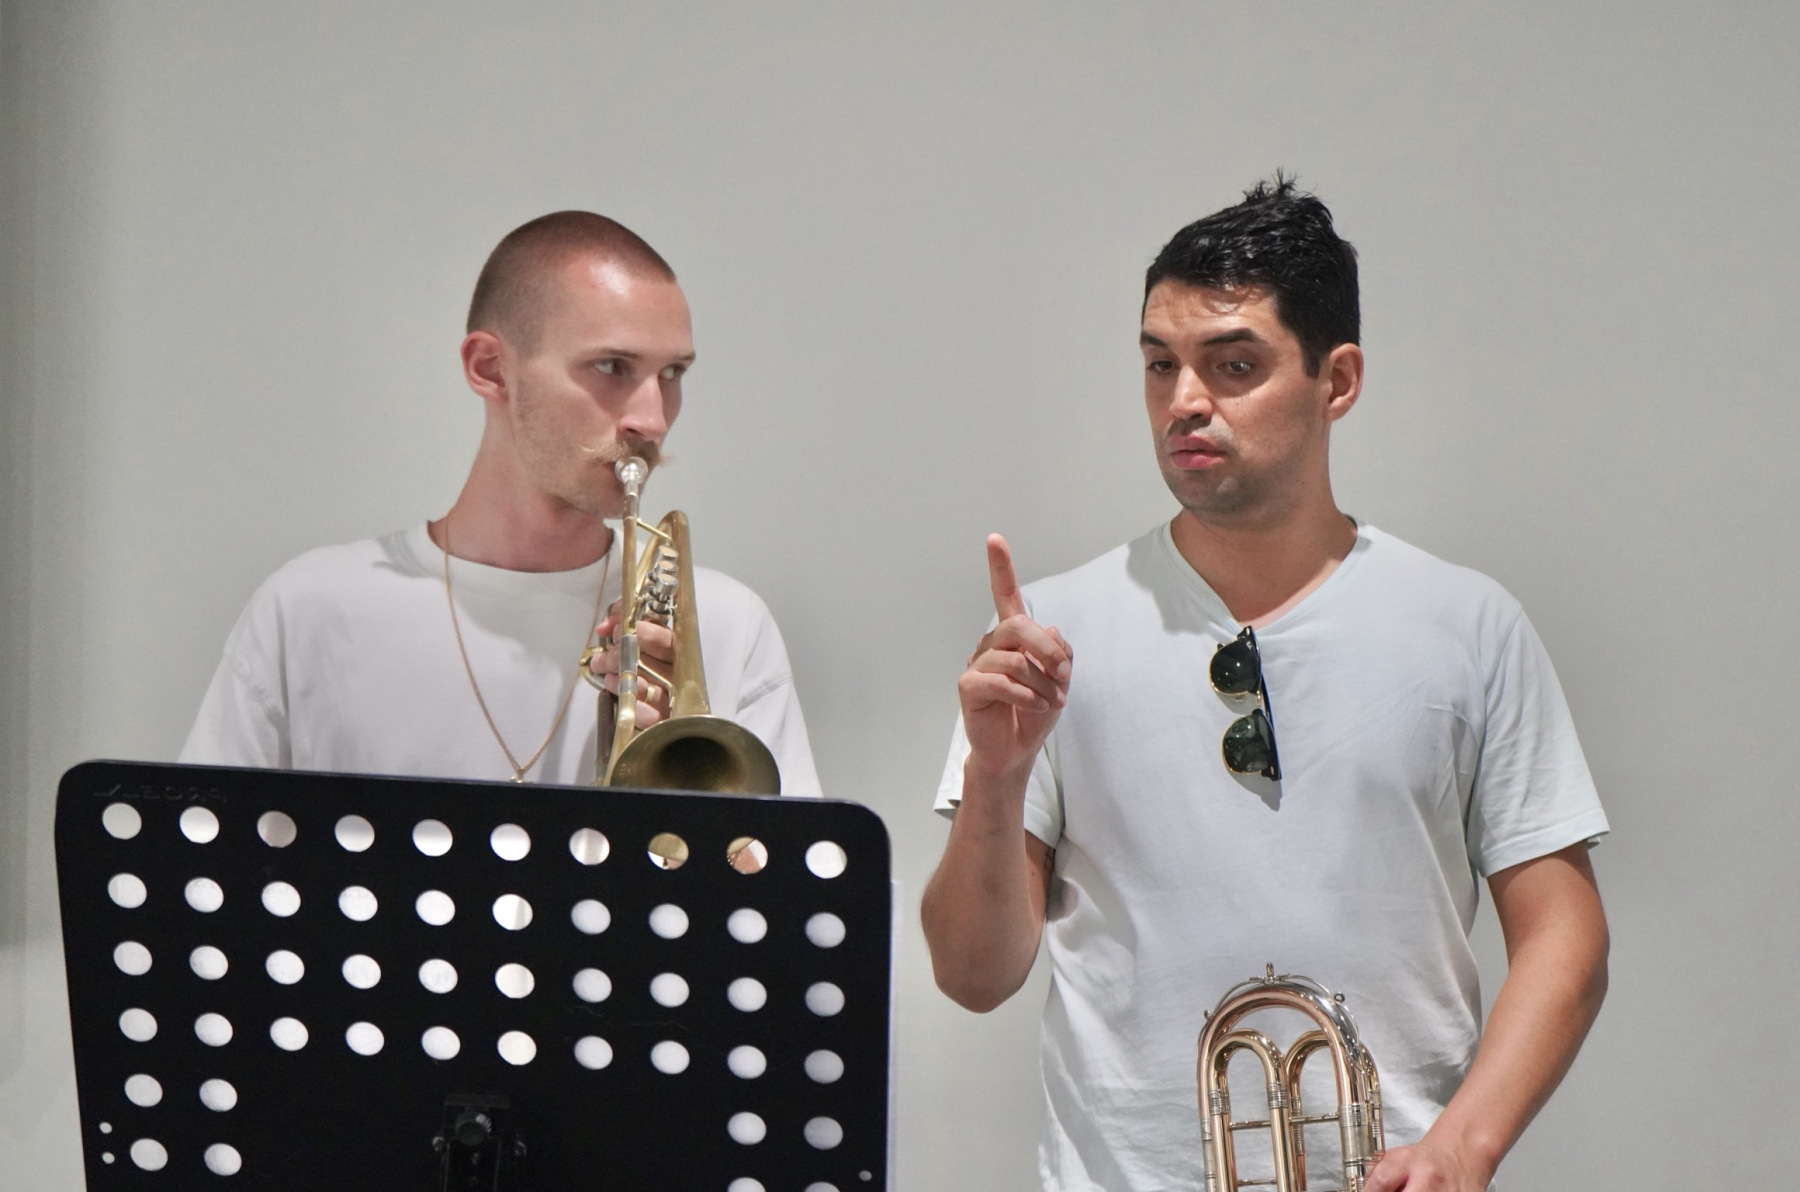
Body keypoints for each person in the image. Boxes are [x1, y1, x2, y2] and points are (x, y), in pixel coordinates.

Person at [920, 177, 1609, 1191]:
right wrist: (996, 773)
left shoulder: (1469, 626)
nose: (1185, 401)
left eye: (1233, 365)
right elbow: (973, 975)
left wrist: (1464, 1145)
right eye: (1161, 364)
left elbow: (1565, 934)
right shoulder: (1050, 639)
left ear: (1339, 380)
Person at [180, 211, 820, 795]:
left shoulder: (724, 626)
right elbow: (206, 863)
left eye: (672, 373)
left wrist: (691, 808)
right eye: (611, 367)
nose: (652, 420)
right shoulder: (312, 608)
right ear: (489, 368)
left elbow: (787, 884)